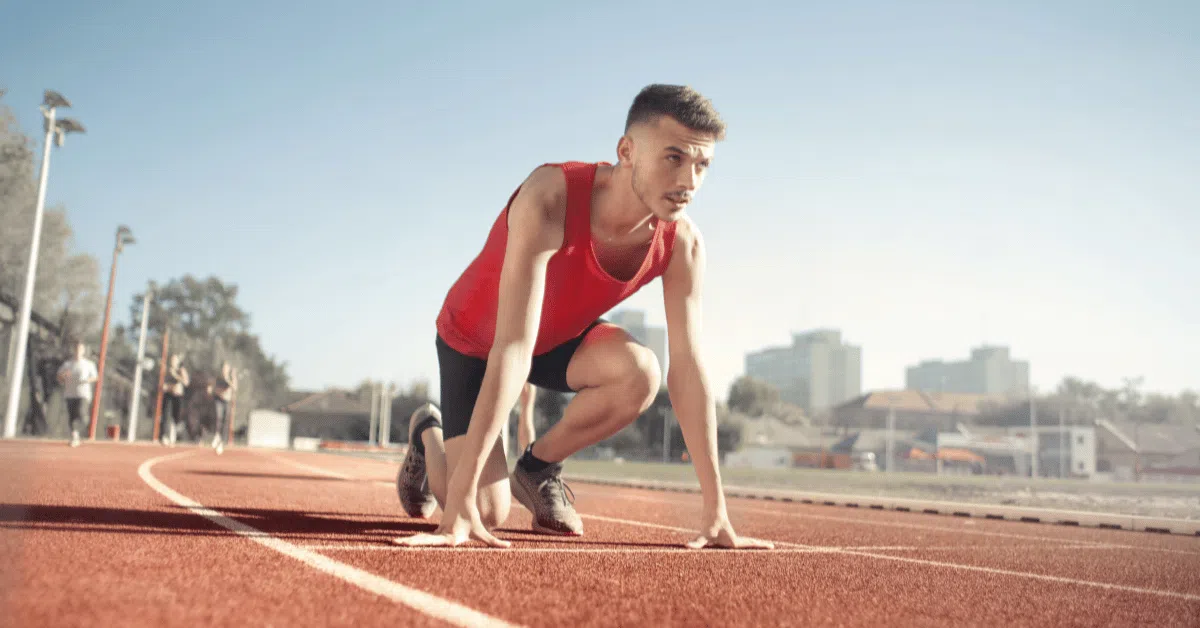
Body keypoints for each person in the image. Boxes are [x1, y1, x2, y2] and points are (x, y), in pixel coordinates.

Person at [396, 84, 773, 551]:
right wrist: (459, 503)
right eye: (674, 158)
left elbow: (690, 369)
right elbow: (512, 344)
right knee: (486, 510)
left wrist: (716, 511)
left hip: (555, 340)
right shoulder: (551, 195)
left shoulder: (682, 244)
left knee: (641, 372)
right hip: (475, 341)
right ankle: (427, 434)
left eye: (702, 165)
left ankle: (536, 469)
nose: (690, 181)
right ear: (627, 151)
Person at [55, 341, 98, 447]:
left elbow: (95, 377)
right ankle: (75, 436)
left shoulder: (88, 364)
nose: (78, 351)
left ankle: (84, 424)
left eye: (80, 349)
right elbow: (59, 376)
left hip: (83, 393)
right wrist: (64, 376)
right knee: (72, 416)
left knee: (81, 412)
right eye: (76, 349)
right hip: (70, 393)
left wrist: (87, 380)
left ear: (83, 351)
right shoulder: (68, 364)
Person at [161, 353, 190, 446]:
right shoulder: (167, 370)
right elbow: (163, 384)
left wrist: (176, 376)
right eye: (171, 359)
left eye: (174, 360)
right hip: (168, 395)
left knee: (176, 417)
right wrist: (166, 386)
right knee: (165, 415)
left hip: (177, 396)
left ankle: (173, 437)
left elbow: (186, 382)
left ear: (178, 361)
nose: (172, 361)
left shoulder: (181, 370)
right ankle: (164, 436)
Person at [208, 362, 237, 455]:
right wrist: (217, 391)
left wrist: (231, 378)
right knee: (218, 416)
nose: (224, 370)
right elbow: (213, 388)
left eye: (226, 368)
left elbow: (234, 388)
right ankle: (216, 435)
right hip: (218, 400)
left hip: (226, 402)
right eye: (223, 368)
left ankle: (221, 441)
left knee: (225, 421)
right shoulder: (218, 378)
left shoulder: (230, 378)